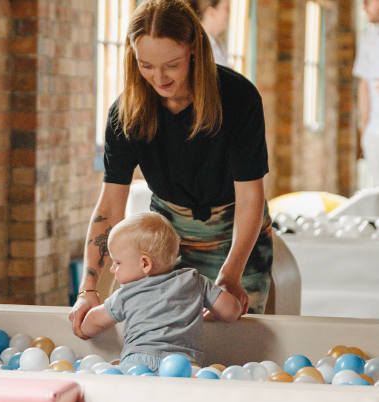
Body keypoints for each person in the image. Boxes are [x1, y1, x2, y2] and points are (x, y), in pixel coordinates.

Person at [70, 0, 272, 339]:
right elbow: (109, 207)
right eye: (146, 65)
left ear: (193, 49)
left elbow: (251, 197)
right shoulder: (125, 113)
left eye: (172, 65)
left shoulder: (239, 99)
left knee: (236, 338)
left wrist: (231, 275)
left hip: (235, 229)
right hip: (166, 235)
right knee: (166, 332)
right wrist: (87, 288)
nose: (159, 78)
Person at [79, 213, 241, 372]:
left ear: (145, 263)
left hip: (137, 365)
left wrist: (83, 328)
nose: (113, 269)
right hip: (184, 368)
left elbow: (94, 322)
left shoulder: (127, 293)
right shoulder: (194, 280)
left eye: (117, 262)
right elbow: (231, 311)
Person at [354, 0, 379, 186]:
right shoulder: (368, 38)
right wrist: (365, 129)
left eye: (367, 2)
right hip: (374, 131)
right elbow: (364, 85)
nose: (364, 8)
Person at [188, 0, 230, 67]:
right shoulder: (198, 43)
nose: (228, 14)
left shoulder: (218, 42)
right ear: (211, 12)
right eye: (226, 8)